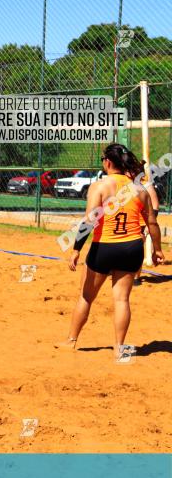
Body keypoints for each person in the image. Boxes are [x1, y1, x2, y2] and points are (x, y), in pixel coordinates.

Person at [56, 144, 164, 360]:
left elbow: (89, 221)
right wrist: (157, 250)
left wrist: (76, 249)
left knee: (86, 297)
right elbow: (152, 222)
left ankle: (71, 341)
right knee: (122, 300)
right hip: (132, 247)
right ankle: (119, 348)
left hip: (104, 247)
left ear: (107, 162)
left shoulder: (100, 186)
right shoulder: (140, 190)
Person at [134, 166, 161, 286]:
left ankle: (136, 277)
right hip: (129, 220)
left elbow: (155, 205)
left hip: (141, 222)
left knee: (137, 248)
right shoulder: (125, 184)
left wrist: (148, 225)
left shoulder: (147, 185)